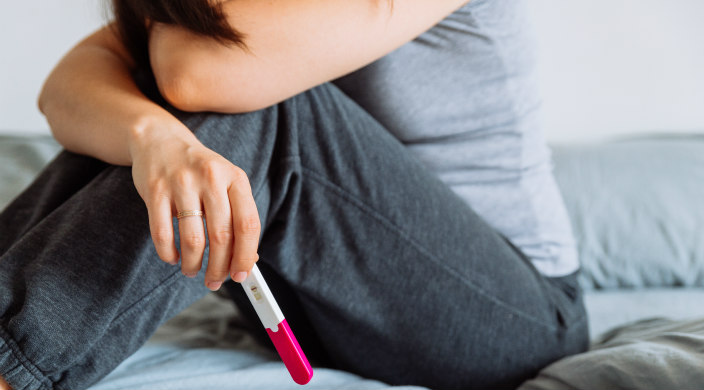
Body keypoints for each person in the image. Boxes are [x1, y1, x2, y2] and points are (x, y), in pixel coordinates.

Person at [0, 0, 589, 389]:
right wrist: (152, 137)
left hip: (512, 317)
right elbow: (66, 90)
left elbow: (194, 72)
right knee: (152, 133)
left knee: (272, 110)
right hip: (317, 305)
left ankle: (13, 363)